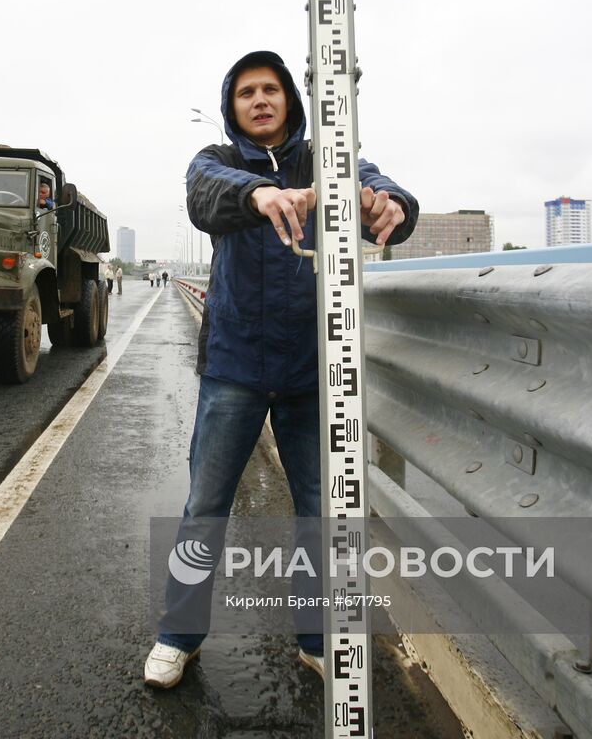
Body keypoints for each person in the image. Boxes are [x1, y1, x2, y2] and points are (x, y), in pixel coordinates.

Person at [144, 50, 417, 689]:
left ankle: (318, 639)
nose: (260, 100)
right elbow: (204, 198)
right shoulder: (215, 162)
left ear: (289, 99)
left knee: (320, 509)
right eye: (247, 93)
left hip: (309, 371)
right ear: (231, 107)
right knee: (205, 507)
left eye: (271, 89)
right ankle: (177, 636)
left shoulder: (324, 157)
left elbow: (381, 187)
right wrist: (261, 192)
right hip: (234, 367)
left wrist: (390, 206)